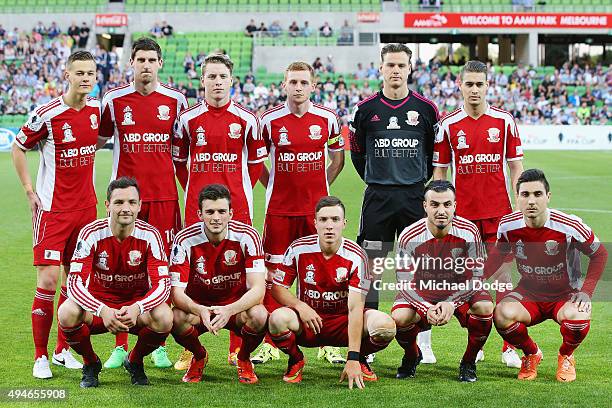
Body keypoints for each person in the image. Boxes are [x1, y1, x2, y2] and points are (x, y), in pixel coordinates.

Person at [98, 37, 188, 369]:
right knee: (123, 270)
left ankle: (158, 343)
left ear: (160, 64)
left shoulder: (177, 101)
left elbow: (181, 152)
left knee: (159, 270)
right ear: (131, 63)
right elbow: (98, 139)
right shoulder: (114, 99)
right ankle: (121, 344)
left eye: (152, 60)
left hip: (164, 197)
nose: (146, 66)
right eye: (141, 60)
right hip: (125, 200)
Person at [173, 53, 266, 367]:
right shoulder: (187, 120)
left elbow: (255, 167)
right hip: (197, 211)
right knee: (196, 278)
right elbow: (180, 165)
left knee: (236, 277)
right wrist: (197, 198)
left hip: (235, 210)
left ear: (231, 81)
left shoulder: (248, 119)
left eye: (221, 77)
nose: (216, 82)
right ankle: (191, 347)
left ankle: (236, 348)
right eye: (210, 77)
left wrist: (236, 196)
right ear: (202, 81)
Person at [12, 50, 100, 379]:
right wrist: (28, 190)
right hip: (53, 212)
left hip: (86, 212)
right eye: (79, 73)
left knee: (74, 281)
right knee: (48, 281)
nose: (86, 78)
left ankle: (63, 350)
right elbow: (18, 147)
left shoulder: (97, 111)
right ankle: (40, 356)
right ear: (67, 75)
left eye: (90, 72)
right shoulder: (47, 114)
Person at [349, 43, 439, 363]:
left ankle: (423, 341)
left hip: (415, 196)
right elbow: (357, 154)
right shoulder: (365, 109)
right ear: (381, 68)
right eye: (390, 65)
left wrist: (416, 180)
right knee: (371, 268)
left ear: (410, 69)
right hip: (378, 197)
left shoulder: (426, 109)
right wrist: (378, 178)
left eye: (401, 65)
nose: (396, 70)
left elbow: (432, 154)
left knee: (420, 269)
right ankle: (370, 337)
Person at [432, 60, 524, 368]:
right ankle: (477, 334)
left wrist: (520, 205)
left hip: (499, 214)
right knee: (464, 278)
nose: (474, 89)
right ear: (459, 85)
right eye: (468, 84)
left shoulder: (504, 121)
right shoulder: (448, 125)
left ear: (488, 86)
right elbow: (440, 174)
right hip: (464, 218)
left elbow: (515, 167)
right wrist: (439, 211)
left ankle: (509, 346)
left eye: (479, 84)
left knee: (502, 278)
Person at [254, 62, 345, 365]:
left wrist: (322, 186)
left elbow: (337, 159)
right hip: (279, 212)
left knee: (321, 274)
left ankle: (326, 341)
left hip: (314, 214)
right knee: (273, 276)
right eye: (292, 81)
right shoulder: (268, 120)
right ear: (284, 85)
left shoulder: (328, 119)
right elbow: (258, 163)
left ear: (313, 86)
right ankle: (269, 341)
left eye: (304, 82)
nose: (298, 87)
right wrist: (271, 188)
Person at [485, 169, 607, 382]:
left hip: (565, 294)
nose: (531, 201)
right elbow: (497, 257)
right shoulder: (508, 225)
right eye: (525, 195)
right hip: (529, 293)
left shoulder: (570, 225)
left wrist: (586, 292)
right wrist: (472, 281)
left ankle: (566, 355)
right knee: (501, 314)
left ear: (548, 197)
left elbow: (600, 254)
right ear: (518, 197)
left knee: (579, 316)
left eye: (537, 194)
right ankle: (531, 354)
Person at [269, 196, 396, 387]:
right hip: (309, 323)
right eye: (323, 220)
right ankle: (296, 359)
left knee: (386, 326)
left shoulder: (356, 255)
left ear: (344, 223)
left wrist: (352, 357)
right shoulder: (298, 248)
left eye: (335, 220)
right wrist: (299, 305)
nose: (329, 226)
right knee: (276, 319)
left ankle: (360, 360)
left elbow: (355, 309)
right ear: (315, 223)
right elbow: (277, 287)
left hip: (343, 324)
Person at [58, 177, 173, 387]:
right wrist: (102, 310)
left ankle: (134, 360)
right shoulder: (91, 233)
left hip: (134, 310)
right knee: (67, 312)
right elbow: (74, 284)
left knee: (165, 316)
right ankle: (91, 363)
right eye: (119, 202)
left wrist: (138, 307)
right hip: (100, 308)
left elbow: (163, 285)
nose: (125, 208)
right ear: (107, 205)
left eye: (131, 202)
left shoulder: (151, 235)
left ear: (139, 205)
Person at [392, 180, 493, 382]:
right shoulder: (409, 235)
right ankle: (412, 355)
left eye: (447, 204)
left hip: (460, 291)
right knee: (400, 317)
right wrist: (426, 307)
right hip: (424, 291)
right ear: (425, 206)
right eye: (435, 204)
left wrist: (452, 303)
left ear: (455, 206)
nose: (441, 211)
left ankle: (468, 361)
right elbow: (404, 282)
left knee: (485, 307)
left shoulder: (469, 231)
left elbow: (477, 277)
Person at [169, 184, 267, 384]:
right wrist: (199, 309)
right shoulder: (184, 239)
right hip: (200, 309)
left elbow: (258, 289)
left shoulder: (248, 236)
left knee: (259, 315)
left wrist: (230, 309)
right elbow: (175, 292)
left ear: (231, 213)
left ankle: (243, 358)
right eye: (210, 212)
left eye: (222, 211)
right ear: (199, 214)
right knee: (176, 318)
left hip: (235, 307)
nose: (216, 217)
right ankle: (198, 356)